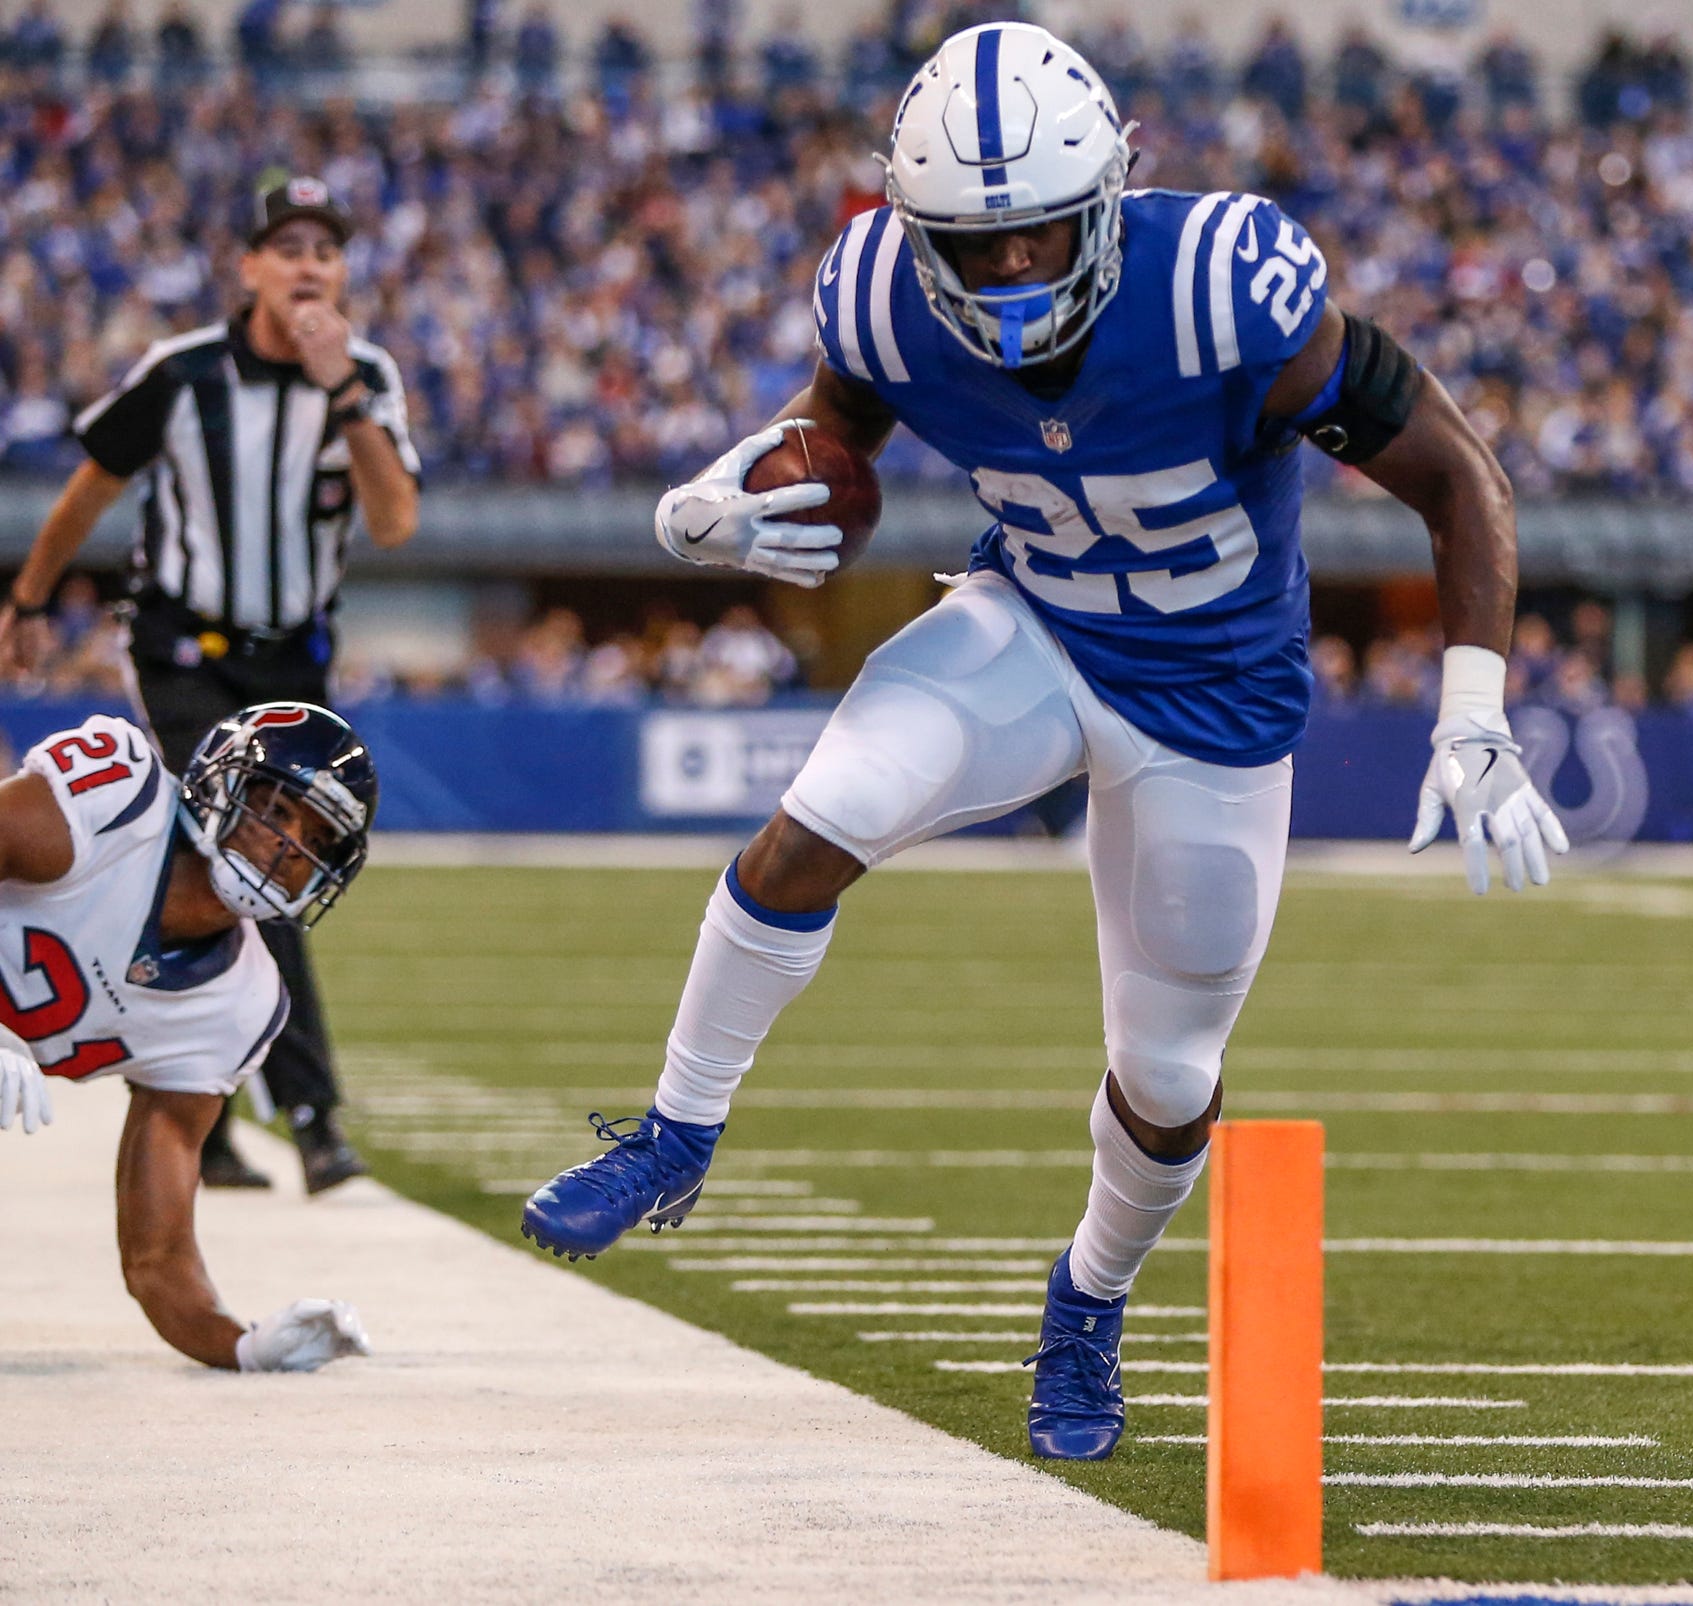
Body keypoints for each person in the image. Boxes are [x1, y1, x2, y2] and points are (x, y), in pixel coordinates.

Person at [520, 23, 1567, 1461]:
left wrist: (1474, 704)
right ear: (911, 226)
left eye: (1039, 239)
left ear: (1115, 189)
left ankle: (1086, 1299)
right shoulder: (884, 288)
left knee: (1172, 1071)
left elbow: (1455, 471)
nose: (1009, 274)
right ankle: (673, 1132)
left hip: (1215, 699)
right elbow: (841, 456)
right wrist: (738, 491)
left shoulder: (1224, 289)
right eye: (972, 245)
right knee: (818, 812)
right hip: (1040, 625)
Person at [0, 176, 421, 1195]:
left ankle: (214, 1105)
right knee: (246, 851)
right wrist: (27, 598)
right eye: (288, 246)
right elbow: (92, 481)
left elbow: (396, 519)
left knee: (264, 860)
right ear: (248, 269)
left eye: (326, 247)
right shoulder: (182, 373)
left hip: (292, 661)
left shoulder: (365, 374)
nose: (310, 264)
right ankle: (312, 1116)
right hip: (185, 647)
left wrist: (344, 396)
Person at [0, 702, 377, 1374]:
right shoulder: (119, 804)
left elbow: (156, 1259)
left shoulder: (238, 1004)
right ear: (221, 781)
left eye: (319, 843)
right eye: (281, 811)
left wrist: (243, 1346)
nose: (290, 848)